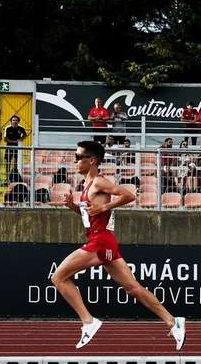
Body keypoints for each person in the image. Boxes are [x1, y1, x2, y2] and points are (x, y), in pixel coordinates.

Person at [52, 140, 186, 350]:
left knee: (58, 277)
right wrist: (73, 207)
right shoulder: (87, 184)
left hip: (100, 241)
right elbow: (91, 214)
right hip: (103, 240)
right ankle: (173, 321)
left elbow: (129, 195)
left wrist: (106, 206)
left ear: (92, 160)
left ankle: (88, 321)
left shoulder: (98, 182)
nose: (75, 161)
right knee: (133, 288)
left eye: (79, 157)